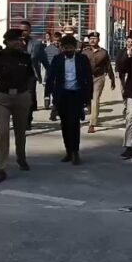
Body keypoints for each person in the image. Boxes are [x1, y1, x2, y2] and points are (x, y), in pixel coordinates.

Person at [0, 29, 37, 183]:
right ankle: (2, 167)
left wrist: (29, 94)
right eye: (16, 40)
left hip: (21, 96)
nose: (19, 43)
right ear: (7, 41)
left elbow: (31, 77)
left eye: (21, 40)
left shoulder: (25, 58)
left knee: (20, 131)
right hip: (2, 97)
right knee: (2, 132)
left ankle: (21, 158)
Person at [46, 35, 93, 165]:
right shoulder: (57, 59)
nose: (68, 50)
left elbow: (88, 79)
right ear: (62, 48)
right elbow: (51, 78)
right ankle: (68, 151)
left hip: (76, 95)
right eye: (66, 48)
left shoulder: (82, 59)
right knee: (65, 124)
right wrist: (47, 96)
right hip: (62, 95)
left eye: (71, 48)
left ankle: (75, 152)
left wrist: (88, 98)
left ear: (75, 47)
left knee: (74, 124)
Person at [82, 31, 116, 133]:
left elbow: (108, 66)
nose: (92, 40)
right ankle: (93, 114)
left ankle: (92, 123)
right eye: (91, 38)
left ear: (98, 40)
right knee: (87, 99)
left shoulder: (103, 52)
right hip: (86, 79)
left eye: (95, 38)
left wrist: (112, 79)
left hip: (99, 78)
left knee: (95, 99)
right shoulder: (84, 52)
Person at [19, 20, 50, 130]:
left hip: (31, 75)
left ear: (30, 31)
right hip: (17, 75)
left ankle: (27, 120)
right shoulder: (14, 43)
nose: (23, 32)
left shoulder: (36, 44)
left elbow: (44, 59)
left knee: (29, 97)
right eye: (21, 30)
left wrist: (50, 72)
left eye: (25, 30)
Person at [116, 36, 132, 117]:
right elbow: (118, 62)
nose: (130, 43)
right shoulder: (121, 51)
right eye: (129, 42)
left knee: (130, 90)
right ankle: (125, 104)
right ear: (126, 42)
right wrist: (117, 71)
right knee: (123, 90)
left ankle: (129, 106)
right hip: (123, 74)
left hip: (131, 74)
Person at [44, 32, 62, 114]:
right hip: (50, 72)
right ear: (52, 40)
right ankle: (47, 102)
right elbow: (44, 61)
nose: (57, 42)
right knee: (48, 88)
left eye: (58, 41)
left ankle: (56, 107)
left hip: (60, 73)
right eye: (55, 40)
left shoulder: (63, 49)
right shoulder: (47, 49)